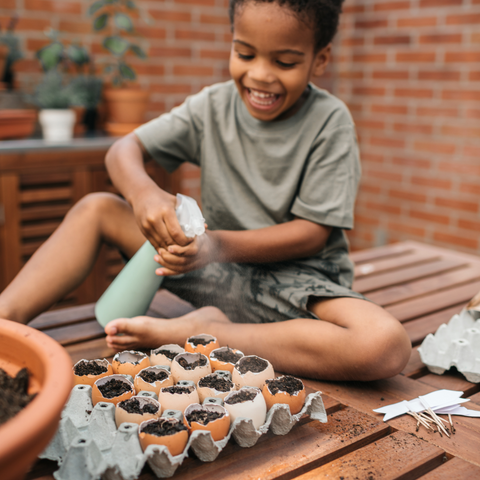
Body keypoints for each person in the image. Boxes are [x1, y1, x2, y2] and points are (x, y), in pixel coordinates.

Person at [0, 0, 411, 381]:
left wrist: (217, 247)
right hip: (207, 270)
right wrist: (143, 193)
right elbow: (123, 150)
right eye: (245, 53)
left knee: (384, 346)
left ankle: (206, 332)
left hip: (294, 285)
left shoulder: (330, 122)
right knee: (96, 208)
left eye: (284, 61)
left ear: (320, 59)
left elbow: (311, 233)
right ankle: (5, 320)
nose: (260, 75)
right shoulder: (211, 106)